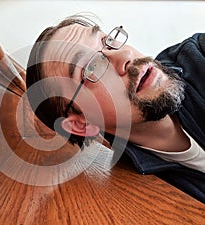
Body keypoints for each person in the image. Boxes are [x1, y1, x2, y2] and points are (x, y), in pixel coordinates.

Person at [25, 14, 205, 203]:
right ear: (81, 124)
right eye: (90, 68)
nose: (125, 55)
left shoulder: (198, 54)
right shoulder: (134, 192)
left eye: (108, 41)